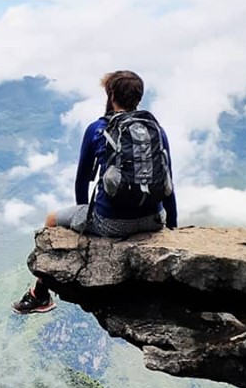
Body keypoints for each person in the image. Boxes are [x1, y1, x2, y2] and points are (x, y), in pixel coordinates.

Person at [12, 70, 178, 314]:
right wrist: (171, 229)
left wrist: (86, 217)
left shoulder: (97, 129)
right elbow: (168, 183)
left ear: (111, 96)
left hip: (111, 224)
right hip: (154, 221)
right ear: (138, 98)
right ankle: (40, 295)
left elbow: (82, 181)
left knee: (50, 219)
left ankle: (40, 295)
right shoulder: (156, 130)